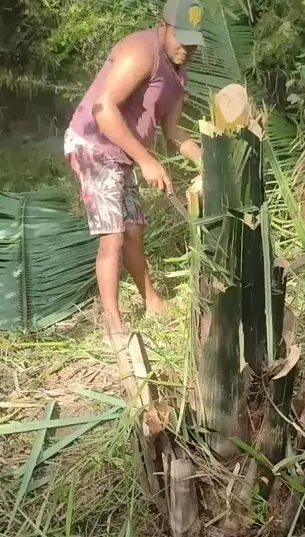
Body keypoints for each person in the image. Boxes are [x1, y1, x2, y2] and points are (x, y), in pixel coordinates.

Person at [64, 0, 203, 334]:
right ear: (163, 26)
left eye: (193, 42)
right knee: (113, 236)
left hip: (123, 152)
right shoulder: (140, 52)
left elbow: (173, 132)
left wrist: (206, 163)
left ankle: (152, 301)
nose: (187, 49)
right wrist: (146, 161)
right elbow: (103, 109)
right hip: (93, 144)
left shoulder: (179, 71)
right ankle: (113, 325)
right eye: (181, 39)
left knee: (134, 232)